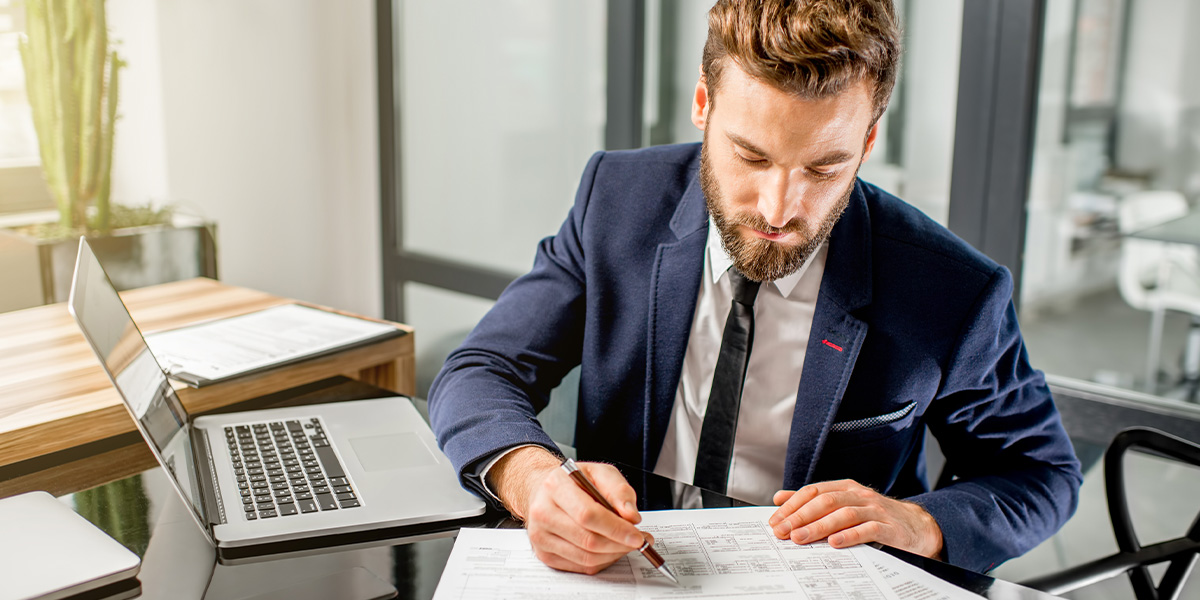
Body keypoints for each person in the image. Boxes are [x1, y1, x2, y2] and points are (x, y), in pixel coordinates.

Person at [428, 0, 1082, 576]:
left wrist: (925, 525)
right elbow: (483, 368)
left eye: (825, 167)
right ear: (703, 106)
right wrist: (533, 479)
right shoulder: (617, 200)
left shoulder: (951, 288)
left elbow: (1043, 474)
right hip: (621, 571)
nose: (779, 208)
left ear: (869, 139)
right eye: (752, 156)